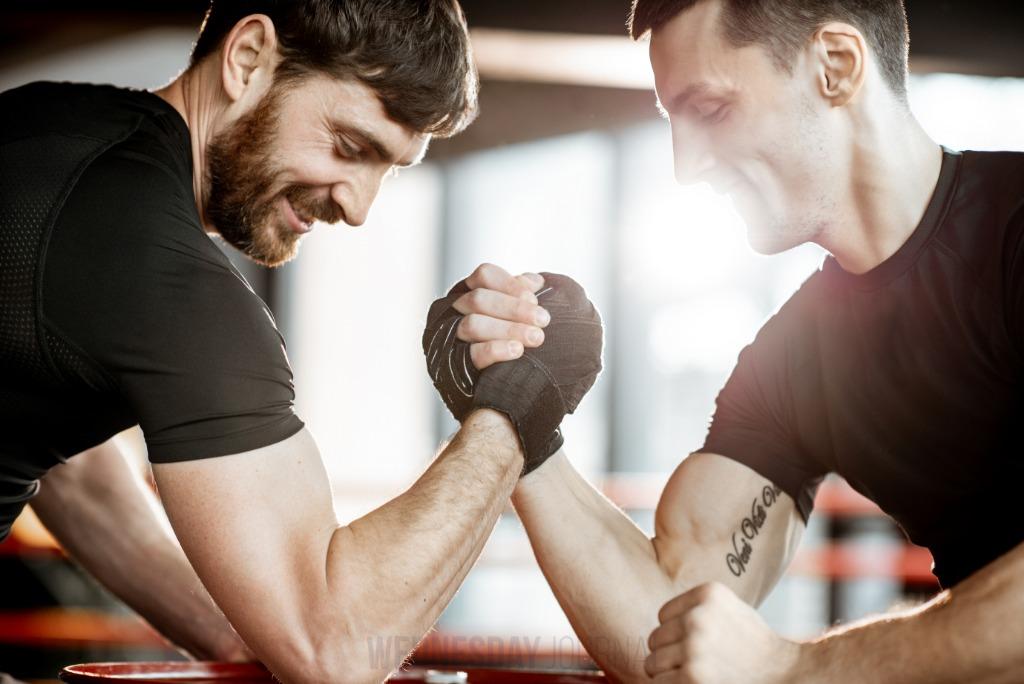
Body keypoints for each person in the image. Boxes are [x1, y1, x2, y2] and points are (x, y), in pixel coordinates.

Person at [0, 2, 603, 682]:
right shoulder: (159, 274)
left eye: (393, 168)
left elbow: (68, 465)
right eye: (351, 146)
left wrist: (241, 639)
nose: (359, 208)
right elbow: (336, 652)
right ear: (249, 57)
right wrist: (515, 409)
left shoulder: (48, 125)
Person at [425, 0, 1024, 681]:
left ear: (837, 66)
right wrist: (517, 417)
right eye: (672, 124)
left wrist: (800, 669)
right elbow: (667, 627)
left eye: (709, 110)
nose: (685, 166)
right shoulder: (797, 358)